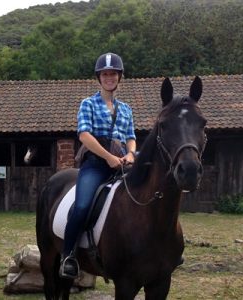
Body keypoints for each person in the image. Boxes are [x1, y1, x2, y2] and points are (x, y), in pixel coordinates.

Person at [59, 52, 136, 279]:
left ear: (119, 77)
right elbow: (84, 136)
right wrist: (107, 157)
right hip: (95, 165)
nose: (109, 77)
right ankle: (68, 255)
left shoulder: (126, 109)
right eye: (105, 74)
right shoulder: (88, 104)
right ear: (99, 77)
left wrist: (131, 154)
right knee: (82, 206)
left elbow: (130, 136)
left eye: (113, 74)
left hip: (122, 164)